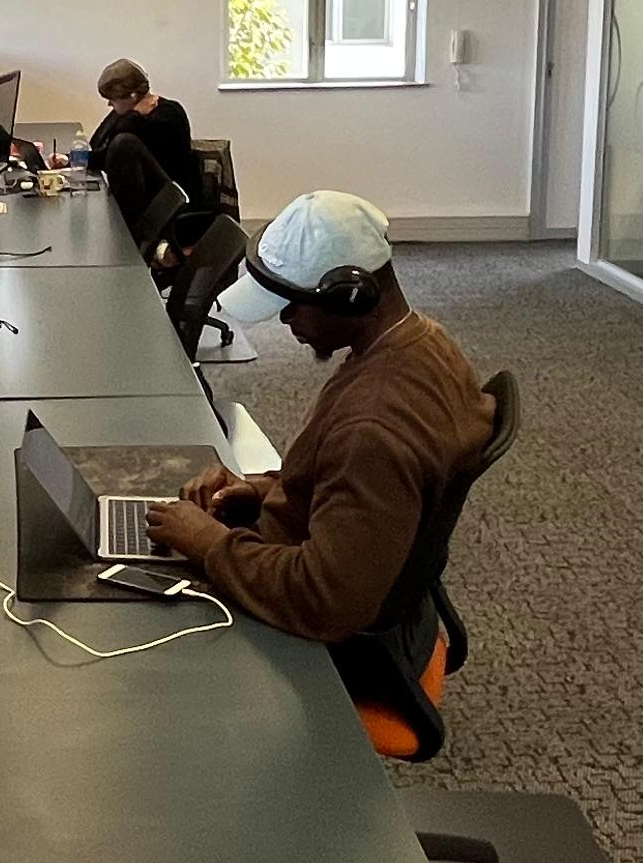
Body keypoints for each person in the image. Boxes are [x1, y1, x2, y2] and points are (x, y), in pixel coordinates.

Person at [145, 192, 492, 647]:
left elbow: (325, 601)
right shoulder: (424, 343)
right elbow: (350, 484)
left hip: (309, 632)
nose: (285, 319)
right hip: (322, 563)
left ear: (351, 297)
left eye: (293, 305)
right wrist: (261, 490)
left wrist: (208, 544)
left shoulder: (372, 430)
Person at [88, 58, 207, 232]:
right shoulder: (128, 116)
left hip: (170, 202)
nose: (109, 104)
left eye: (113, 99)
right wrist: (69, 160)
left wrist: (132, 116)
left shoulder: (169, 114)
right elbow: (98, 142)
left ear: (133, 96)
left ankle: (136, 236)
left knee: (124, 143)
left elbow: (119, 146)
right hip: (145, 199)